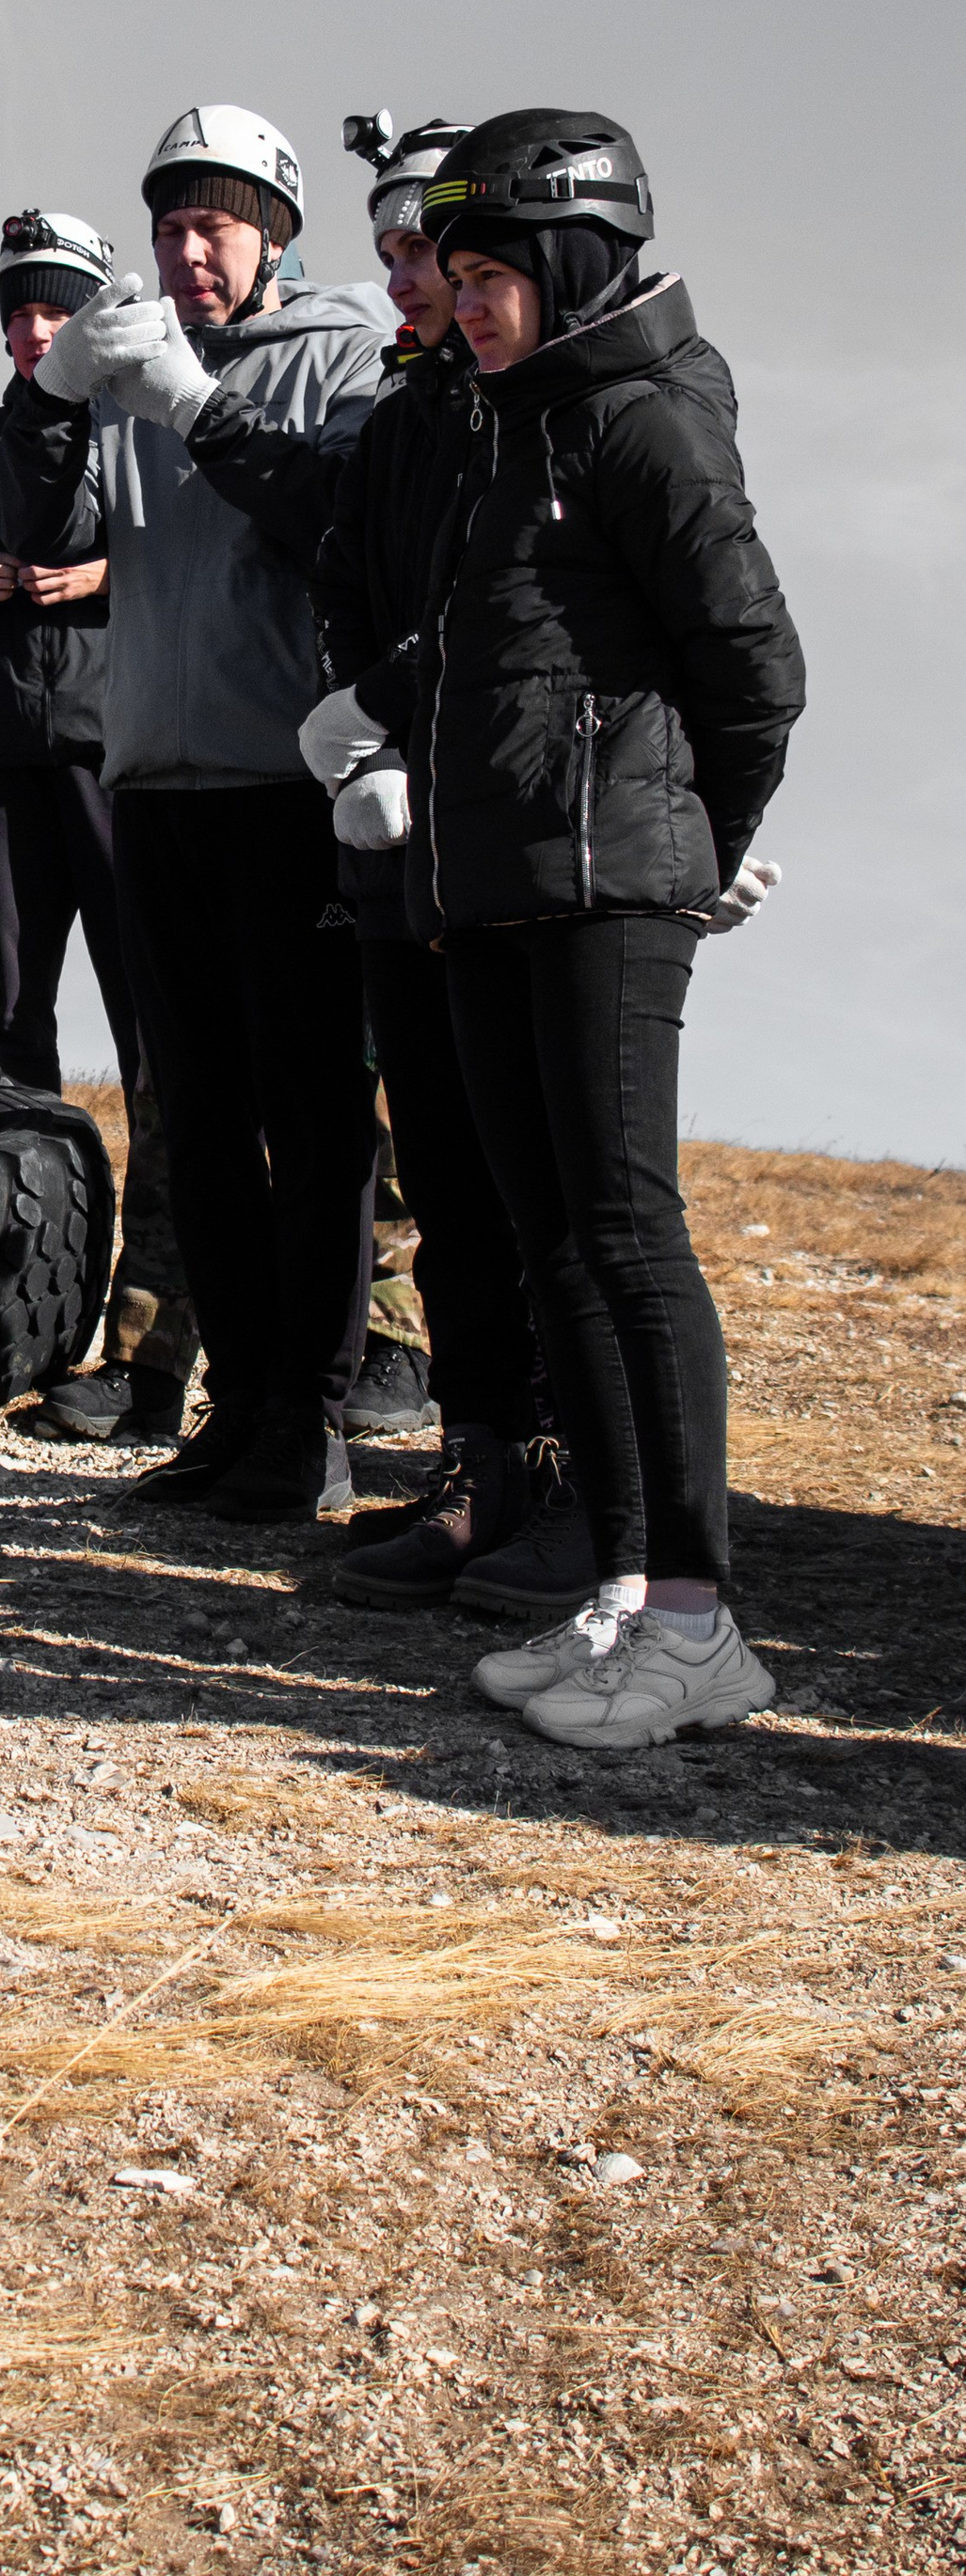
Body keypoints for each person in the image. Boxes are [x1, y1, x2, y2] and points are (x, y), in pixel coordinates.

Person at [388, 108, 804, 1750]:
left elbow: (758, 671)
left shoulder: (645, 424)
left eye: (494, 275)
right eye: (457, 274)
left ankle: (703, 1620)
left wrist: (695, 851)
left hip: (610, 888)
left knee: (632, 1242)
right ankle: (628, 1589)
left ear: (568, 265)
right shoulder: (519, 427)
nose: (468, 302)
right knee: (554, 1239)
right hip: (498, 889)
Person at [24, 105, 388, 1522]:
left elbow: (338, 524)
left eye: (216, 225)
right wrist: (52, 396)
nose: (188, 252)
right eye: (170, 225)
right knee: (198, 1122)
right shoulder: (128, 366)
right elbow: (47, 534)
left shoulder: (341, 353)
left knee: (313, 1119)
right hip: (152, 785)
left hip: (285, 791)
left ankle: (315, 1417)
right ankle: (239, 1410)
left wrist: (198, 404)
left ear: (277, 234)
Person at [306, 116, 580, 1619]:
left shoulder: (533, 415)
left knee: (536, 1170)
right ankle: (478, 1468)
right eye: (399, 255)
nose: (413, 281)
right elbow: (347, 597)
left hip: (524, 848)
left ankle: (565, 1471)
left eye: (436, 252)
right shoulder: (401, 428)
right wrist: (366, 747)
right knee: (452, 1176)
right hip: (396, 851)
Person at [0, 208, 198, 1444]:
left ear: (89, 319)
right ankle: (14, 1313)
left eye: (53, 310)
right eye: (16, 312)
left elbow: (203, 572)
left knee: (155, 1031)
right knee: (10, 1025)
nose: (33, 330)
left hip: (119, 761)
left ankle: (146, 1337)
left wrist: (103, 578)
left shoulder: (144, 442)